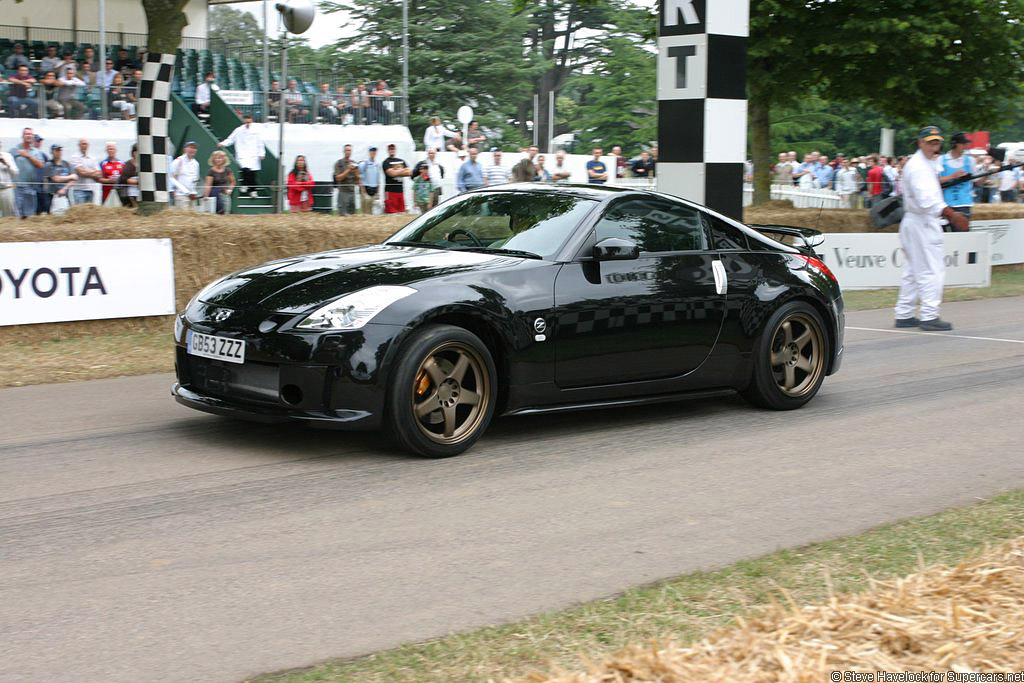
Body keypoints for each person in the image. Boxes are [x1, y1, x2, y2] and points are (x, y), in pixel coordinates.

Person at [894, 126, 968, 332]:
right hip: (922, 221)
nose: (934, 146)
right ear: (920, 142)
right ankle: (929, 316)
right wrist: (953, 215)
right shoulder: (919, 166)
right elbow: (927, 201)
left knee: (912, 270)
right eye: (930, 142)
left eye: (937, 142)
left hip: (915, 221)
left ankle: (904, 313)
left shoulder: (924, 163)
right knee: (931, 270)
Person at [219, 113, 265, 198]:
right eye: (246, 119)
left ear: (252, 119)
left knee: (252, 173)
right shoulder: (238, 130)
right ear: (244, 120)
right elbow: (230, 139)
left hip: (253, 155)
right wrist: (222, 144)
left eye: (249, 118)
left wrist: (262, 153)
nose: (247, 120)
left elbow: (260, 143)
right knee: (245, 170)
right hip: (242, 154)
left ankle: (252, 190)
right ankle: (245, 185)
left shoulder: (257, 130)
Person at [938, 132, 975, 230]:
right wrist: (952, 176)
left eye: (966, 144)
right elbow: (935, 181)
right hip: (946, 204)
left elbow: (978, 181)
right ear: (955, 144)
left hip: (964, 204)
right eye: (963, 144)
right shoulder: (941, 160)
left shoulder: (970, 161)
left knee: (962, 236)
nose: (966, 146)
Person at [8, 128, 44, 218]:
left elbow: (40, 165)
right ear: (22, 136)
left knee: (29, 215)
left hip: (30, 187)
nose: (28, 136)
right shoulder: (14, 149)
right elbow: (7, 161)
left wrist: (28, 155)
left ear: (33, 137)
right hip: (17, 187)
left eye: (30, 134)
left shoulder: (36, 152)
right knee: (17, 215)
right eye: (26, 134)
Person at [169, 140, 201, 209]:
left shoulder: (196, 163)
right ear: (185, 149)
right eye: (190, 147)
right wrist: (185, 191)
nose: (192, 150)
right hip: (181, 195)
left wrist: (193, 192)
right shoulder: (178, 161)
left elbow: (195, 180)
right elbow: (171, 177)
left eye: (194, 148)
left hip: (192, 196)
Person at [69, 138, 101, 205]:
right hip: (79, 190)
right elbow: (81, 173)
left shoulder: (93, 158)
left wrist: (86, 171)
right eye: (83, 144)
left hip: (91, 190)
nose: (84, 146)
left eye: (86, 144)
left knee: (89, 213)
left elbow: (99, 174)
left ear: (88, 145)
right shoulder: (74, 157)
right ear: (79, 145)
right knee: (80, 213)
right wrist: (93, 172)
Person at [381, 143, 411, 213]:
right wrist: (402, 170)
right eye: (390, 149)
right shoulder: (386, 162)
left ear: (395, 150)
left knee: (401, 212)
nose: (392, 150)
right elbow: (391, 174)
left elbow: (409, 172)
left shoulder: (401, 160)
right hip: (390, 191)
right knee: (391, 213)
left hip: (400, 191)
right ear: (388, 151)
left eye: (393, 149)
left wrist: (396, 170)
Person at [203, 150, 235, 214]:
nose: (218, 160)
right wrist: (205, 197)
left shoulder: (227, 170)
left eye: (220, 158)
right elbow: (208, 185)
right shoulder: (211, 171)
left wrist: (230, 190)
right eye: (217, 158)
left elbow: (233, 182)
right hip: (215, 196)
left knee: (226, 214)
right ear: (213, 159)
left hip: (225, 195)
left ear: (224, 159)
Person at [333, 144, 361, 215]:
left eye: (349, 150)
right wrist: (348, 169)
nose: (348, 152)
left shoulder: (354, 163)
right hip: (343, 193)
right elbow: (338, 178)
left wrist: (356, 172)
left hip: (352, 192)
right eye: (346, 150)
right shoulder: (339, 163)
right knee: (342, 216)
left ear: (351, 152)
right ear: (343, 151)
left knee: (352, 215)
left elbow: (357, 181)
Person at [115, 143, 140, 208]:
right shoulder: (128, 165)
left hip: (139, 194)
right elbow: (123, 179)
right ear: (134, 153)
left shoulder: (143, 164)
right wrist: (138, 182)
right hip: (129, 195)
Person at [358, 146, 381, 214]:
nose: (373, 152)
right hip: (366, 191)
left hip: (374, 192)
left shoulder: (377, 165)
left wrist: (378, 193)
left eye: (374, 151)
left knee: (374, 214)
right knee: (366, 214)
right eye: (372, 151)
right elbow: (360, 178)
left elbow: (378, 180)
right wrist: (364, 193)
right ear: (369, 152)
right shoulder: (364, 164)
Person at [0, 147, 17, 217]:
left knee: (8, 216)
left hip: (6, 190)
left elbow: (15, 173)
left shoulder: (7, 156)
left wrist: (6, 163)